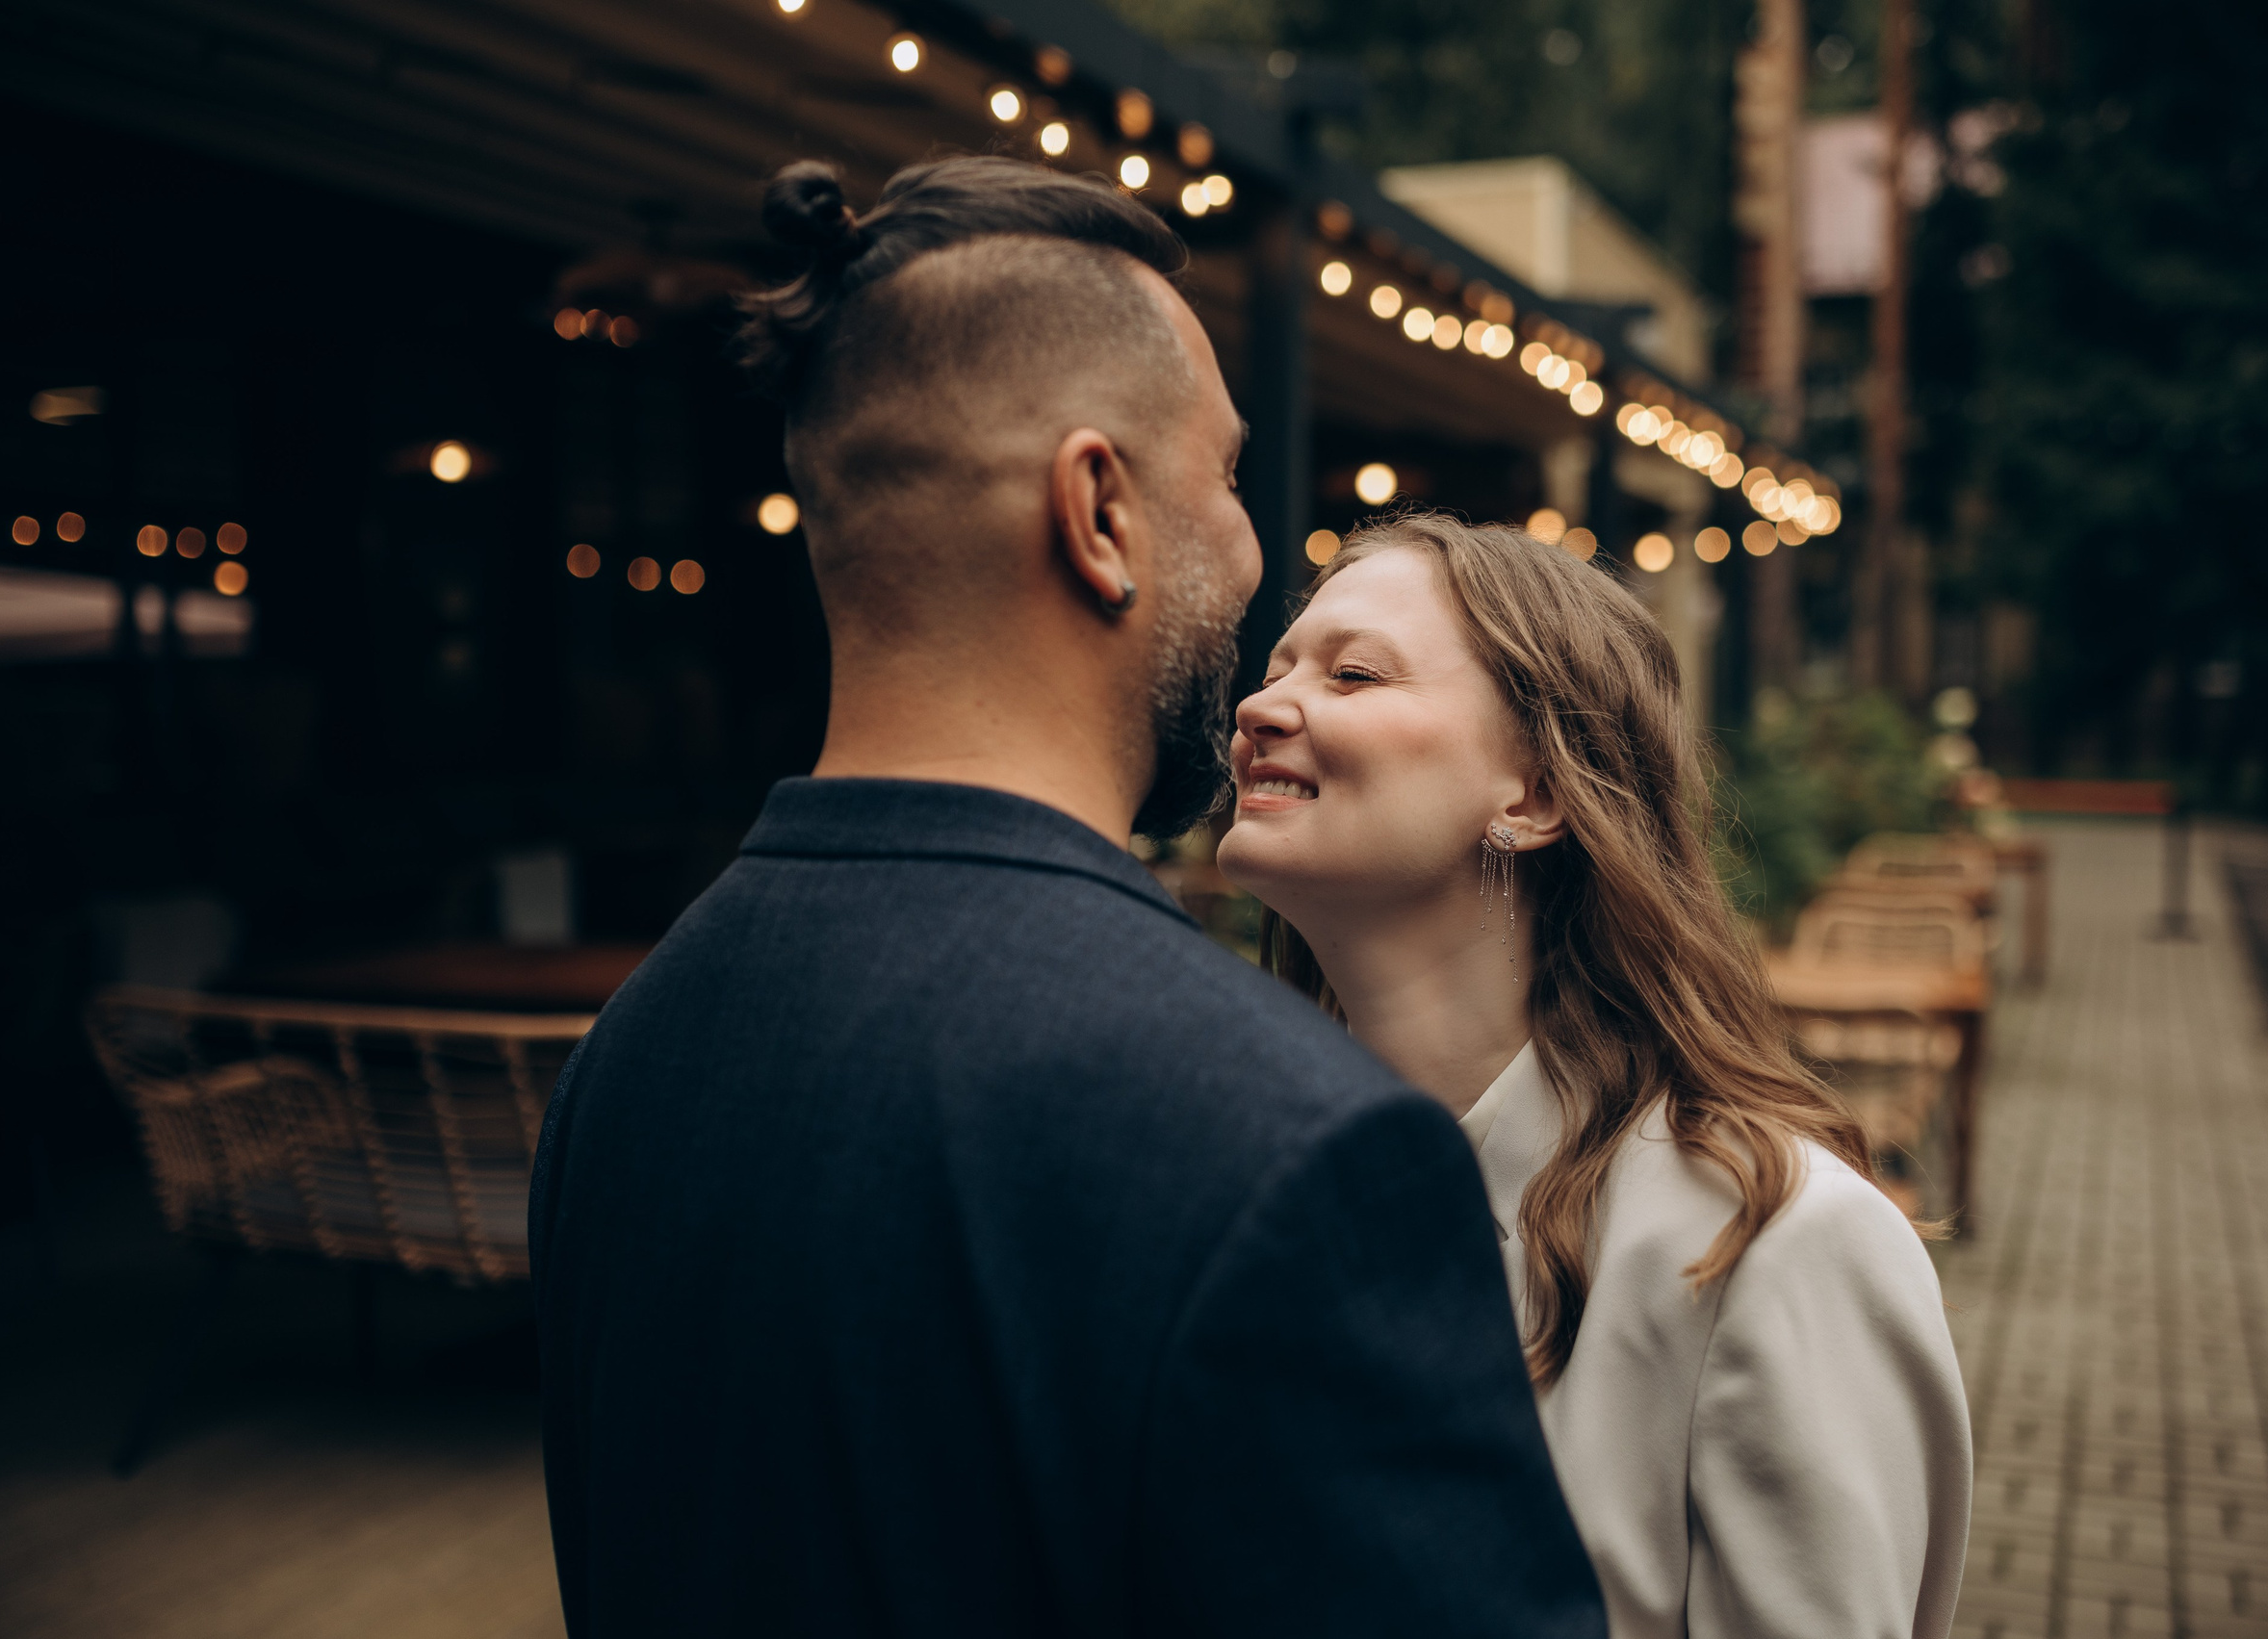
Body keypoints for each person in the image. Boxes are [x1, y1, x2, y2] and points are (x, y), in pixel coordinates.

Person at [528, 159, 1607, 1639]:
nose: (1250, 555)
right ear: (1097, 511)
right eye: (1226, 479)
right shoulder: (1298, 1147)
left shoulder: (626, 1062)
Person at [1217, 515, 1973, 1639]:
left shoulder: (1773, 1241)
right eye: (1276, 667)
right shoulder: (1244, 1180)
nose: (1259, 706)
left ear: (1530, 795)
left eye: (1353, 673)